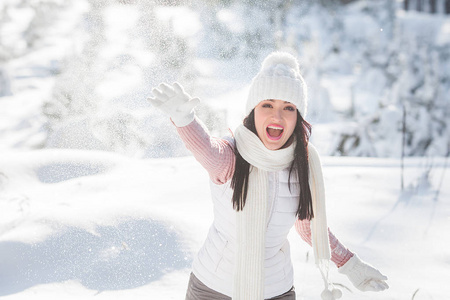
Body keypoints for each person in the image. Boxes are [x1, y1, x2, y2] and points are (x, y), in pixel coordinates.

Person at [148, 52, 389, 300]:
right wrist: (185, 120)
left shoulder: (303, 167)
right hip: (214, 287)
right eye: (267, 105)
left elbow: (310, 229)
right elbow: (207, 150)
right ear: (253, 111)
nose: (277, 116)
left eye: (288, 107)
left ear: (298, 118)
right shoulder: (232, 156)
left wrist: (351, 265)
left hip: (276, 290)